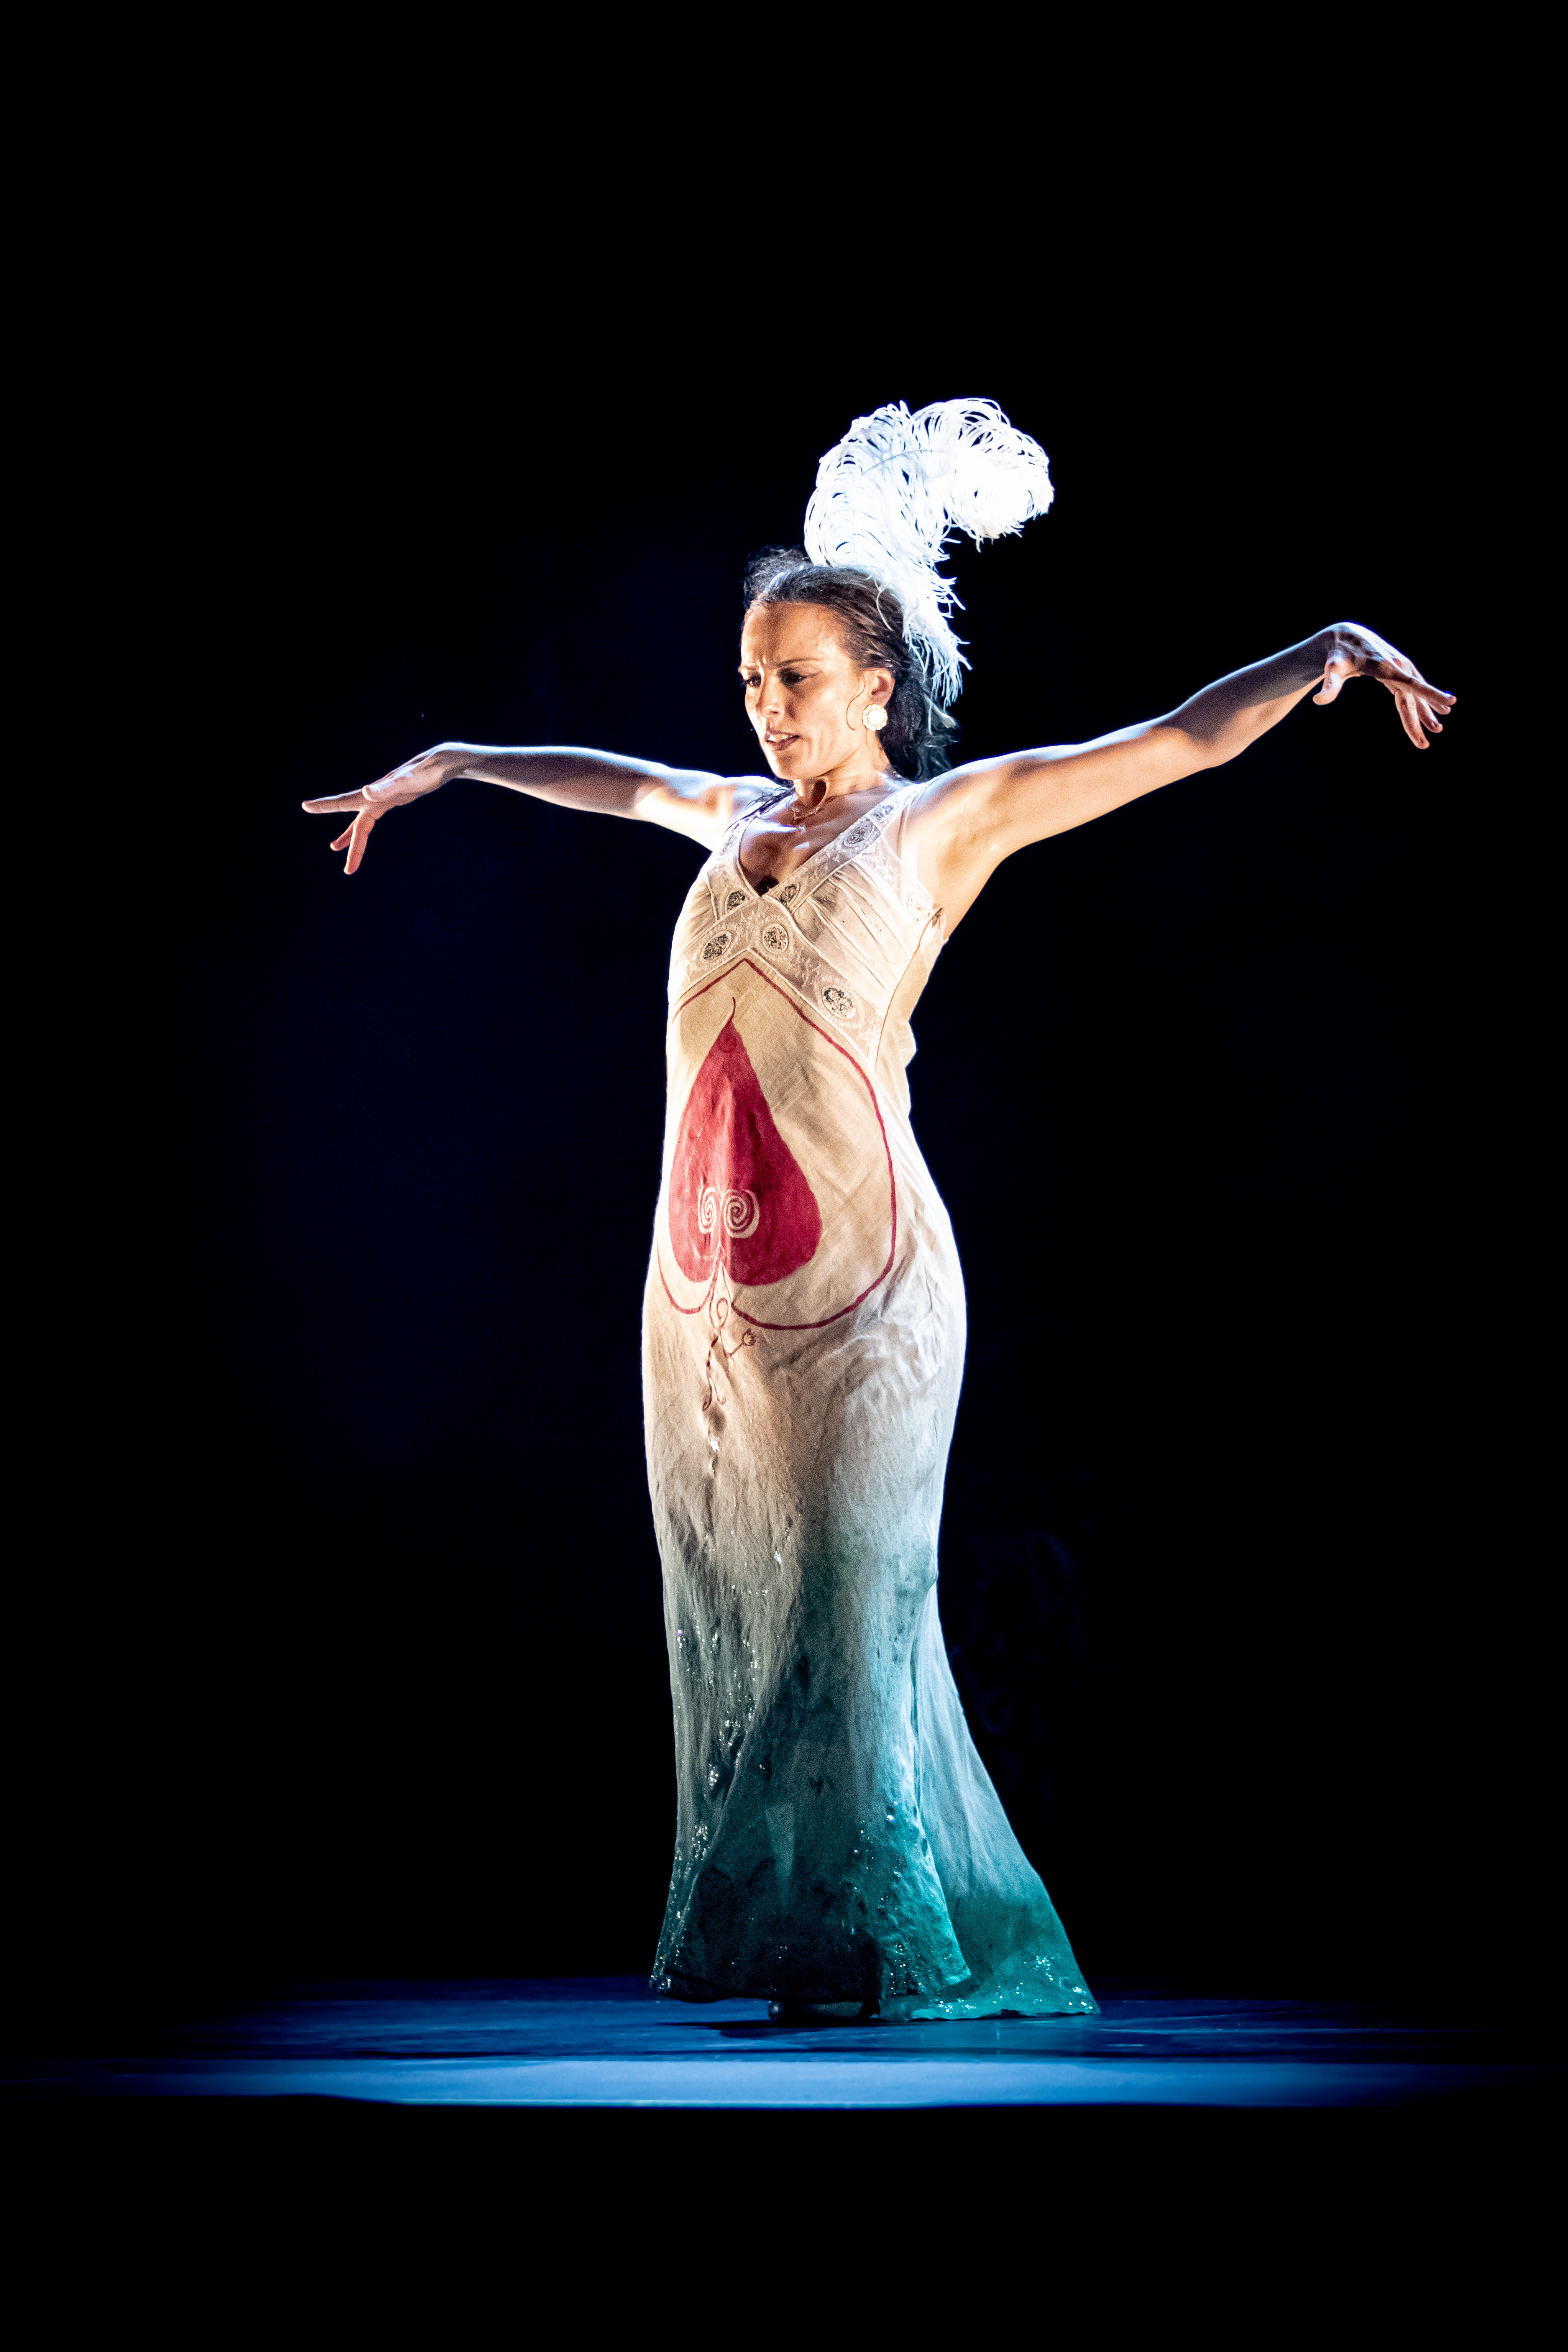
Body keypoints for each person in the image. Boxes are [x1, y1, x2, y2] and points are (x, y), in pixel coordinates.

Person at [304, 400, 1453, 2022]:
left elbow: (1171, 741)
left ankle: (869, 1940)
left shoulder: (938, 821)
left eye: (794, 678)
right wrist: (458, 763)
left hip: (874, 1287)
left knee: (847, 1607)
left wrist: (1318, 651)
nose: (766, 707)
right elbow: (617, 780)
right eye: (750, 681)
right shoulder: (730, 815)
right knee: (748, 1596)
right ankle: (796, 1929)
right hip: (706, 1293)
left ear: (876, 686)